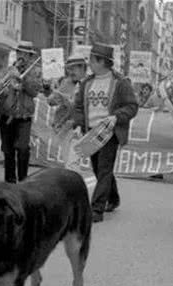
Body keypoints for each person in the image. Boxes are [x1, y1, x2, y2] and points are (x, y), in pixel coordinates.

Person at [71, 43, 138, 223]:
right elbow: (78, 107)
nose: (90, 64)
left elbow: (132, 106)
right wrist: (78, 124)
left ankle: (97, 209)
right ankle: (113, 198)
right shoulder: (86, 83)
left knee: (104, 168)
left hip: (109, 133)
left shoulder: (121, 83)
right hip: (91, 133)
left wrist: (116, 117)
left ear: (102, 62)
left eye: (92, 60)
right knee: (99, 169)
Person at [0, 41, 41, 183]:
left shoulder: (35, 72)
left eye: (24, 54)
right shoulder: (6, 70)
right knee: (8, 151)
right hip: (7, 115)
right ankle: (9, 182)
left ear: (30, 56)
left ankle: (23, 181)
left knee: (22, 149)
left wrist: (22, 80)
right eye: (19, 53)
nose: (21, 56)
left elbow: (34, 91)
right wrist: (5, 84)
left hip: (24, 116)